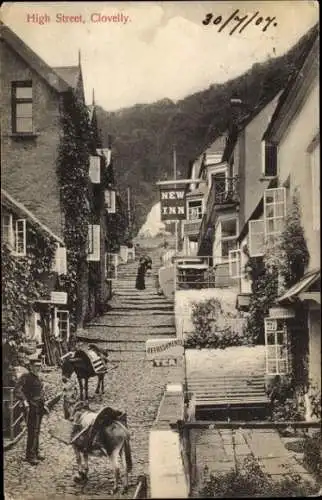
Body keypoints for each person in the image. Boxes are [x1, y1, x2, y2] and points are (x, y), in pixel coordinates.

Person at [14, 353, 49, 465]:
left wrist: (44, 403)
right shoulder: (25, 377)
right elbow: (17, 390)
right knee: (32, 431)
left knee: (37, 431)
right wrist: (24, 401)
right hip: (30, 408)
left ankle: (36, 452)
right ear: (30, 366)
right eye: (35, 366)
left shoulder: (38, 377)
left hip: (39, 407)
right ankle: (30, 455)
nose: (37, 368)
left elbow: (40, 392)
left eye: (39, 366)